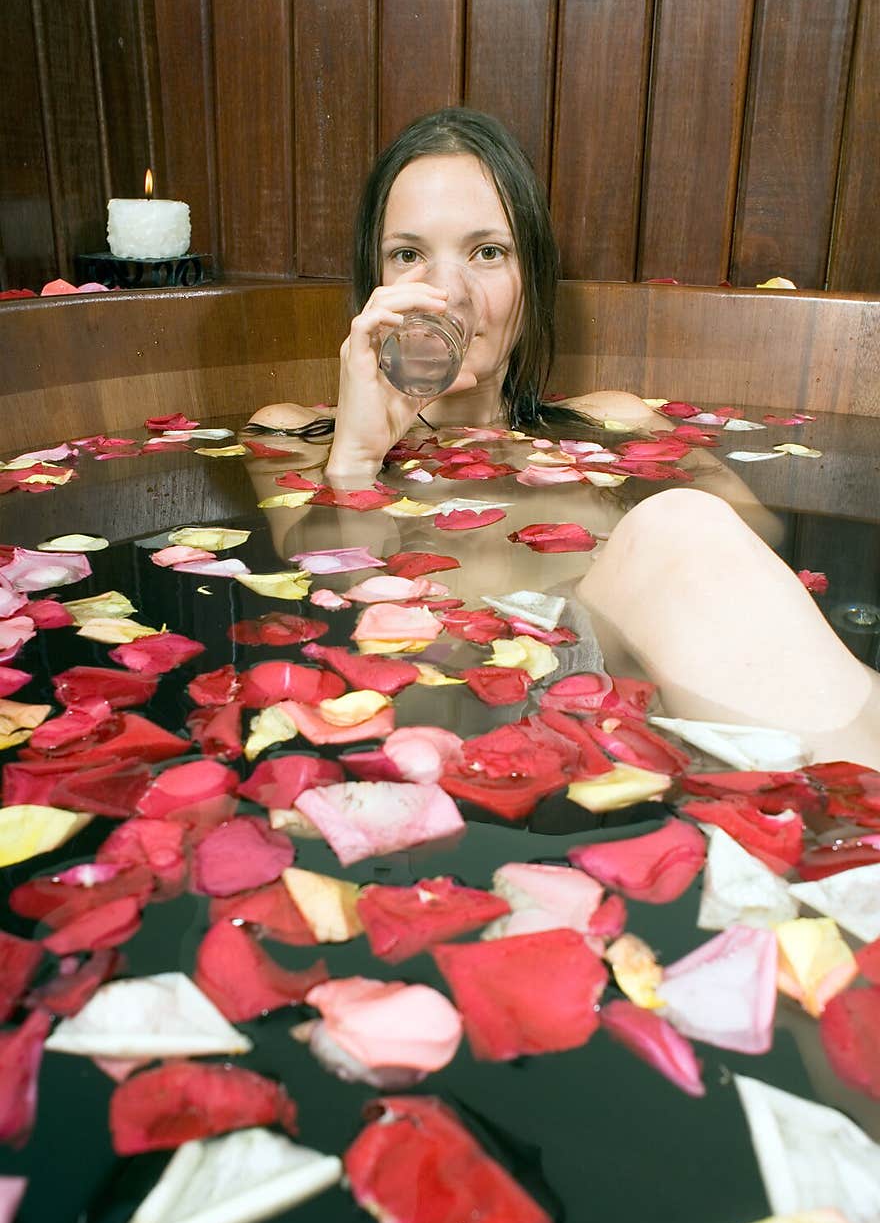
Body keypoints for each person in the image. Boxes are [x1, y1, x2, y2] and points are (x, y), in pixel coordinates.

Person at [247, 107, 880, 769]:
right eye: (409, 255)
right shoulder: (295, 436)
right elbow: (328, 596)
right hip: (447, 752)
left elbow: (758, 546)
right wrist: (356, 458)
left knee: (682, 523)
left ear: (532, 278)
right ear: (374, 281)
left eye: (487, 252)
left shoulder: (615, 423)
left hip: (652, 733)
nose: (447, 293)